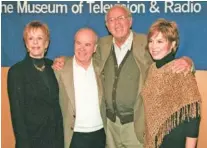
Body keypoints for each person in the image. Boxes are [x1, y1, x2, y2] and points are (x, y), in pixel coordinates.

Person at [53, 5, 193, 148]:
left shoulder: (146, 43)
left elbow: (166, 59)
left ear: (130, 21)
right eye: (112, 20)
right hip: (109, 126)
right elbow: (83, 54)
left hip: (134, 126)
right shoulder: (102, 44)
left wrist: (188, 61)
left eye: (121, 18)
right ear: (107, 25)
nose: (117, 23)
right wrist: (63, 60)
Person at [141, 18, 201, 148]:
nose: (153, 46)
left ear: (173, 44)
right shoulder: (152, 69)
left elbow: (193, 117)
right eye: (151, 41)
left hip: (174, 141)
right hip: (153, 140)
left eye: (160, 41)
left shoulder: (181, 69)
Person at [7, 21, 64, 148]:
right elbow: (17, 115)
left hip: (55, 139)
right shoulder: (16, 71)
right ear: (26, 44)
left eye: (39, 38)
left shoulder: (53, 66)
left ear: (46, 43)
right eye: (31, 38)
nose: (35, 42)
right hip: (31, 141)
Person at [54, 28, 106, 148]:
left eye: (87, 44)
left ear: (95, 48)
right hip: (73, 137)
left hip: (99, 135)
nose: (82, 48)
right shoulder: (60, 70)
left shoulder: (102, 68)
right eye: (78, 43)